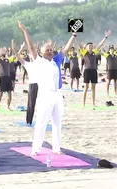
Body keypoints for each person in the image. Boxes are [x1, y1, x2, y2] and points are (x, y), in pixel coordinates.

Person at [17, 20, 75, 156]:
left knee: (57, 122)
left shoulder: (56, 61)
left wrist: (74, 35)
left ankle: (57, 148)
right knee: (41, 122)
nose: (49, 52)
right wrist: (25, 31)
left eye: (50, 50)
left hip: (57, 94)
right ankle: (36, 148)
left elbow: (66, 49)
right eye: (47, 50)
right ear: (42, 52)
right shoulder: (39, 61)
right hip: (45, 95)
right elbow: (31, 47)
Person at [77, 30, 111, 108]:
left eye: (91, 46)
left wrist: (105, 37)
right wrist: (75, 37)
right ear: (86, 47)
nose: (91, 47)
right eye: (89, 46)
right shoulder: (84, 52)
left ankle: (93, 103)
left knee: (93, 88)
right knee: (86, 87)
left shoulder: (94, 52)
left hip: (94, 71)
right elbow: (80, 46)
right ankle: (83, 104)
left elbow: (100, 45)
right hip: (87, 71)